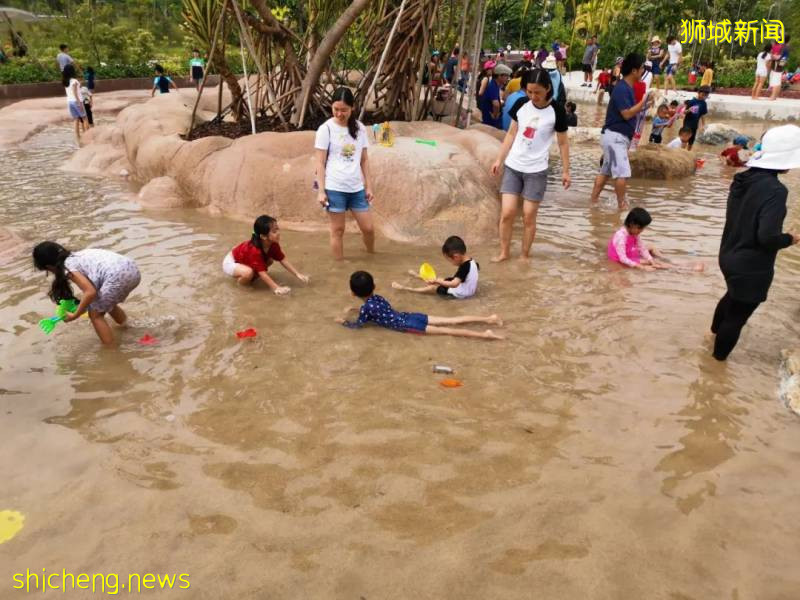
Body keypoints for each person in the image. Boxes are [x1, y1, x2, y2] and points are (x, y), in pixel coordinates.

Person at [711, 124, 800, 360]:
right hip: (751, 265)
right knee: (738, 315)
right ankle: (714, 371)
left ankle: (711, 338)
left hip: (728, 255)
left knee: (732, 295)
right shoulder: (775, 190)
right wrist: (791, 238)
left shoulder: (742, 179)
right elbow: (768, 237)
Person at [490, 68, 571, 262]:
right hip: (513, 166)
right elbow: (511, 133)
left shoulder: (557, 111)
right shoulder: (521, 104)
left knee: (528, 215)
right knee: (508, 212)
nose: (533, 96)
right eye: (529, 91)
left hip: (536, 170)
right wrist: (499, 159)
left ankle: (524, 255)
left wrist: (566, 171)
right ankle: (504, 252)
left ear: (548, 89)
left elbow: (563, 143)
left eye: (537, 92)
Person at [338, 271, 503, 340]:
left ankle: (485, 335)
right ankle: (489, 319)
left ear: (353, 293)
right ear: (374, 287)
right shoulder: (378, 298)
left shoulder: (366, 310)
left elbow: (359, 325)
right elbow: (380, 311)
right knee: (449, 320)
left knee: (448, 331)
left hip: (407, 325)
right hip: (409, 316)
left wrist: (342, 322)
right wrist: (355, 309)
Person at [32, 241, 141, 345]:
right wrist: (83, 306)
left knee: (95, 315)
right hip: (132, 269)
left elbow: (89, 292)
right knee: (104, 303)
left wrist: (76, 314)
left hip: (116, 276)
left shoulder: (67, 268)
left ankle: (111, 350)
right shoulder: (78, 256)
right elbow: (93, 293)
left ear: (49, 267)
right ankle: (126, 327)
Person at [314, 87, 375, 260]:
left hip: (356, 187)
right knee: (338, 230)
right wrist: (321, 190)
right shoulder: (325, 129)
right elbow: (319, 161)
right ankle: (338, 267)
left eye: (344, 110)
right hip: (334, 186)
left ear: (352, 108)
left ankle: (371, 256)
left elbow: (364, 159)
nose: (339, 113)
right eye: (336, 109)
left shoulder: (360, 128)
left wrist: (368, 186)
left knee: (368, 228)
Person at [589, 53, 652, 210]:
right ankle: (621, 207)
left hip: (613, 135)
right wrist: (644, 103)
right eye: (642, 68)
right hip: (616, 136)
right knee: (622, 172)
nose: (643, 71)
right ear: (634, 70)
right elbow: (627, 113)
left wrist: (644, 104)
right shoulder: (622, 88)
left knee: (606, 171)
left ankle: (593, 202)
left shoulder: (625, 87)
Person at [222, 215, 308, 294]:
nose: (278, 233)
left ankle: (249, 278)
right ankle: (241, 286)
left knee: (269, 261)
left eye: (277, 229)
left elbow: (282, 260)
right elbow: (262, 273)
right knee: (248, 273)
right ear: (263, 237)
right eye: (274, 231)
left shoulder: (273, 244)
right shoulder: (255, 250)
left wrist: (297, 274)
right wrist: (276, 288)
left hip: (243, 258)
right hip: (231, 262)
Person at [391, 236, 479, 298]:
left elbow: (454, 284)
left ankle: (406, 289)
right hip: (467, 289)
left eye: (450, 260)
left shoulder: (464, 267)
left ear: (456, 256)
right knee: (441, 279)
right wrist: (439, 281)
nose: (451, 263)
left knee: (432, 288)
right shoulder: (472, 262)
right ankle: (419, 276)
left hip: (460, 294)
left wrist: (437, 281)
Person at [481, 64, 511, 129]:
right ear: (500, 76)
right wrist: (495, 115)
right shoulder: (493, 86)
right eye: (506, 76)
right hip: (490, 121)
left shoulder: (495, 85)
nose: (507, 78)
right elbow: (496, 104)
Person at [62, 64, 86, 143]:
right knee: (84, 118)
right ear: (72, 71)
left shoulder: (65, 82)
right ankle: (87, 135)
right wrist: (79, 103)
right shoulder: (74, 81)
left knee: (76, 119)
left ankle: (78, 137)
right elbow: (75, 92)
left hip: (70, 102)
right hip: (76, 101)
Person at [682, 86, 709, 150]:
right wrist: (689, 110)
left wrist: (703, 125)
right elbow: (684, 112)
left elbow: (703, 115)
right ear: (698, 93)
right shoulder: (691, 102)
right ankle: (682, 152)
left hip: (694, 125)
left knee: (691, 141)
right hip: (687, 124)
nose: (704, 97)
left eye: (706, 96)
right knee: (685, 139)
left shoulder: (704, 103)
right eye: (703, 95)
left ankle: (688, 153)